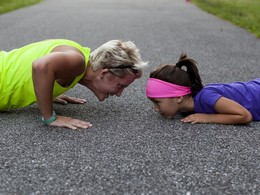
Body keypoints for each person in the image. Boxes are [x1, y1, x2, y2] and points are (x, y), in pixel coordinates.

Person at [0, 39, 148, 129]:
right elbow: (41, 66)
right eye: (121, 86)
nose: (119, 93)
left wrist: (47, 91)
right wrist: (50, 117)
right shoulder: (77, 62)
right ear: (104, 73)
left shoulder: (77, 58)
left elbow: (34, 66)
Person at [146, 53, 260, 125]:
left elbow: (244, 116)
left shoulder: (206, 97)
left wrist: (207, 118)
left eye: (157, 102)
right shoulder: (188, 107)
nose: (156, 109)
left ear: (178, 98)